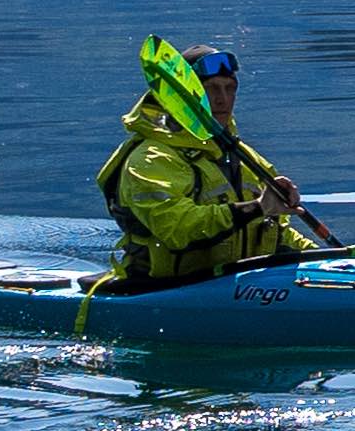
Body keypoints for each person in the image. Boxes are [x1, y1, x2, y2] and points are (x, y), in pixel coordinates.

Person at [94, 37, 320, 288]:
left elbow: (273, 229)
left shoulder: (245, 156)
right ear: (185, 97)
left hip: (233, 284)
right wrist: (256, 207)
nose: (223, 99)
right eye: (211, 89)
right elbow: (178, 228)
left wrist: (333, 262)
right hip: (165, 289)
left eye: (230, 88)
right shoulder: (151, 159)